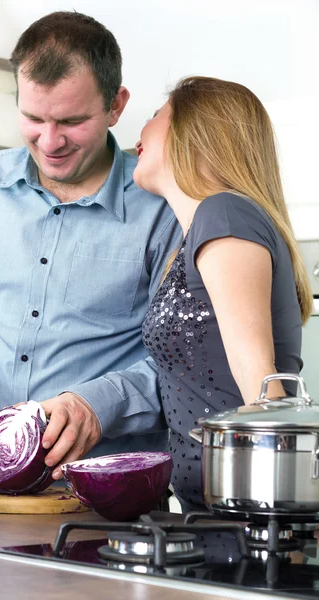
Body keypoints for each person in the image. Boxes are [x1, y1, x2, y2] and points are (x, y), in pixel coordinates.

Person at [0, 12, 181, 479]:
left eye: (71, 121)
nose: (50, 140)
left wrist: (100, 403)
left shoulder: (162, 208)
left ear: (116, 106)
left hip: (107, 494)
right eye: (33, 118)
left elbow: (184, 362)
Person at [133, 76, 312, 512]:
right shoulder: (206, 228)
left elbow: (263, 387)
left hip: (243, 517)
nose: (142, 126)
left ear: (192, 131)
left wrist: (272, 514)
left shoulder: (225, 214)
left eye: (157, 114)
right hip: (215, 512)